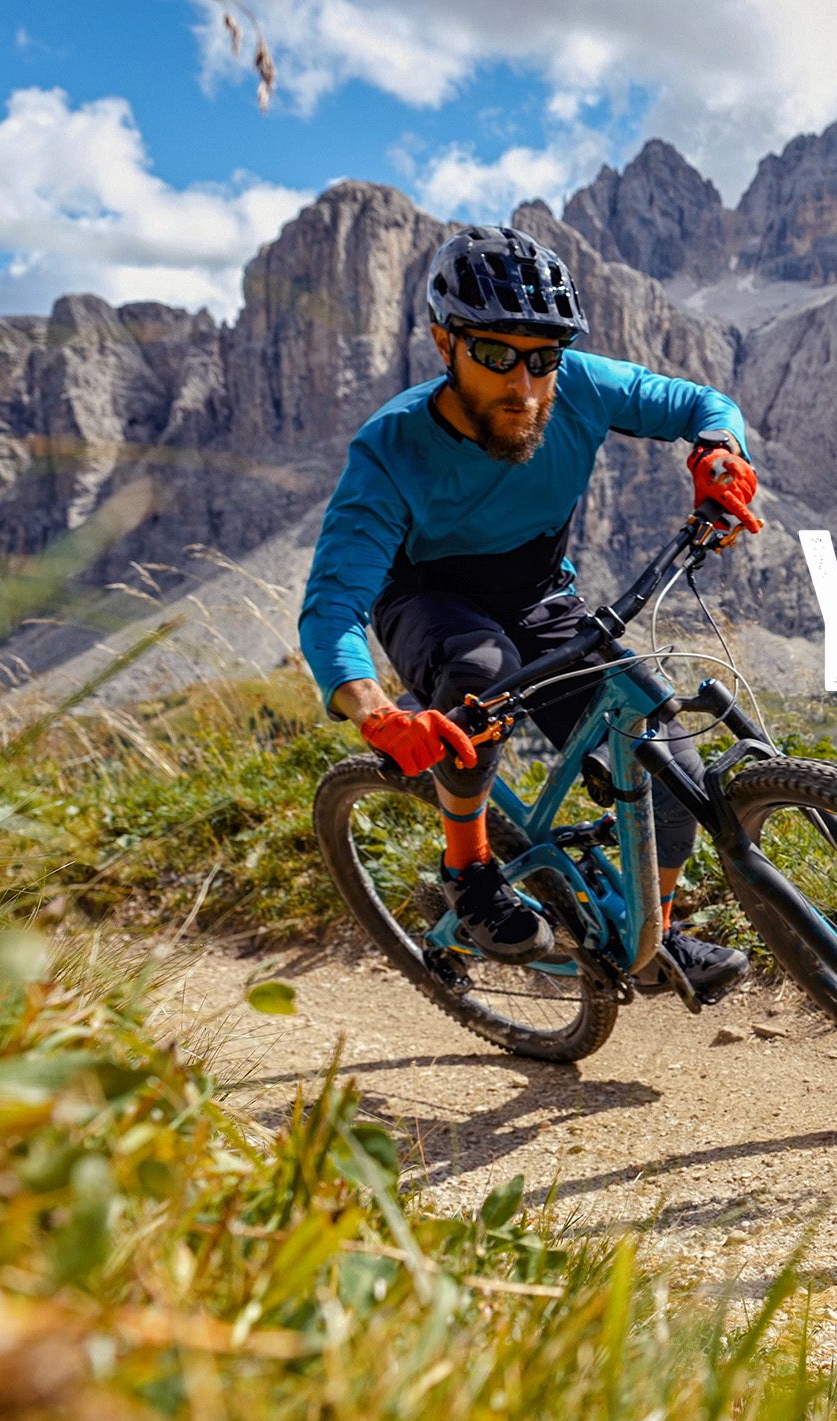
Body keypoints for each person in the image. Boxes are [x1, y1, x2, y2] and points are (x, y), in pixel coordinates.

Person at [298, 223, 761, 1004]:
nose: (524, 384)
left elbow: (699, 403)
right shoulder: (391, 449)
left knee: (673, 765)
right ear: (445, 343)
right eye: (494, 354)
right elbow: (330, 607)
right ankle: (468, 868)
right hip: (430, 600)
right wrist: (376, 712)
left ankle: (655, 935)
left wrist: (719, 450)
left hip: (539, 595)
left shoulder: (579, 386)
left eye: (542, 357)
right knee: (480, 673)